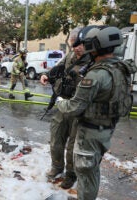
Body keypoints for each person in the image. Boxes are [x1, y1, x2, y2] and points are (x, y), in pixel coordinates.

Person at [56, 26, 137, 199]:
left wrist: (60, 102)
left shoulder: (97, 75)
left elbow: (75, 107)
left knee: (86, 174)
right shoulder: (122, 69)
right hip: (106, 129)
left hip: (90, 133)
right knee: (92, 171)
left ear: (95, 47)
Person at [40, 26, 95, 189]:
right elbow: (59, 67)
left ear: (86, 43)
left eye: (77, 45)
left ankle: (71, 175)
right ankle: (56, 167)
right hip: (63, 104)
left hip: (79, 109)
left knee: (73, 145)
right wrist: (47, 76)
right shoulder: (71, 55)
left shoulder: (93, 60)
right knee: (56, 138)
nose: (75, 48)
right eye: (72, 45)